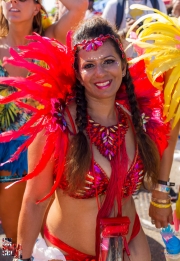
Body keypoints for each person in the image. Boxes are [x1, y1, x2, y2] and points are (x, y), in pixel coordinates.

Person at [0, 16, 175, 261]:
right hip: (66, 254)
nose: (100, 72)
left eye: (109, 61)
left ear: (123, 67)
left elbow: (171, 122)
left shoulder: (135, 119)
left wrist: (162, 192)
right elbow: (33, 203)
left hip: (130, 247)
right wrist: (21, 258)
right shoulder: (57, 125)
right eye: (89, 65)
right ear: (77, 74)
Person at [0, 0, 88, 244]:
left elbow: (79, 7)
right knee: (12, 236)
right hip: (7, 153)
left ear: (37, 7)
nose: (13, 1)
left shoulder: (49, 39)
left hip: (48, 150)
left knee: (47, 235)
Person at [102, 0, 167, 57]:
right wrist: (125, 32)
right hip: (125, 64)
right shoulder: (114, 5)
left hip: (152, 63)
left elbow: (166, 34)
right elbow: (103, 39)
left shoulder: (157, 3)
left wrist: (151, 29)